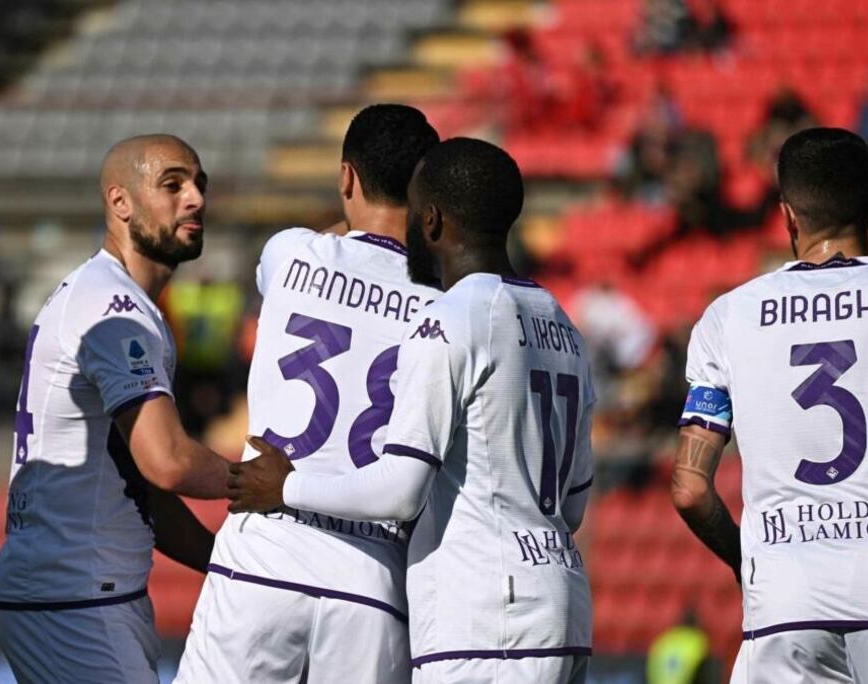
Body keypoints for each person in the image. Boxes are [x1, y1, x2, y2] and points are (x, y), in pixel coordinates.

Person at [229, 137, 595, 684]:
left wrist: (285, 487)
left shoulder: (452, 318)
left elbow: (400, 491)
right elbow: (574, 504)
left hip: (487, 614)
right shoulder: (561, 324)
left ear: (431, 220)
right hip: (561, 598)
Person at [175, 104, 441, 684]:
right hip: (371, 576)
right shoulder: (445, 306)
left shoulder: (290, 252)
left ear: (346, 177)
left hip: (264, 551)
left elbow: (337, 256)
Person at [0, 134, 227, 684]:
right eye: (172, 185)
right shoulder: (113, 306)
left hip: (81, 594)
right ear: (121, 202)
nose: (195, 199)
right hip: (74, 600)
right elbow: (167, 461)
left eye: (199, 185)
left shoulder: (114, 296)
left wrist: (224, 563)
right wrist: (270, 483)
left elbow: (142, 488)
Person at [671, 127, 868, 683]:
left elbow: (690, 488)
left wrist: (744, 559)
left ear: (787, 216)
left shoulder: (728, 317)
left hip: (784, 599)